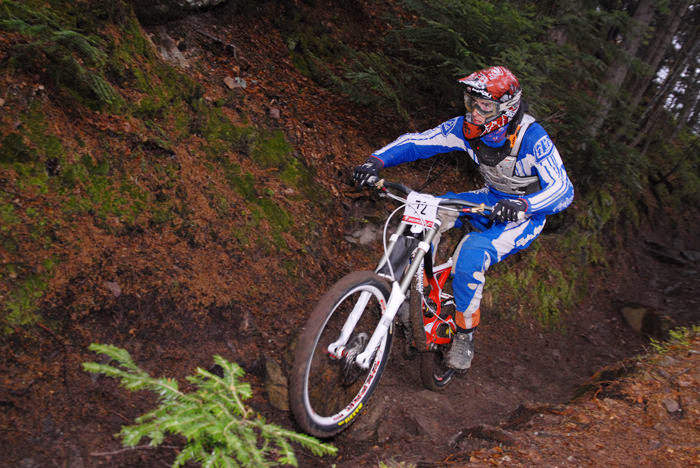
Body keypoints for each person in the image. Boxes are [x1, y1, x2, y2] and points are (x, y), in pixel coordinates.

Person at [352, 66, 574, 370]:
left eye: (485, 106)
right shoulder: (465, 128)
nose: (475, 112)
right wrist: (375, 161)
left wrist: (524, 205)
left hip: (525, 215)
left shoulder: (532, 138)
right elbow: (419, 142)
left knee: (470, 254)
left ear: (507, 109)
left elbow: (563, 189)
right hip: (490, 198)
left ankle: (465, 334)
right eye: (472, 102)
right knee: (424, 211)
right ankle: (406, 292)